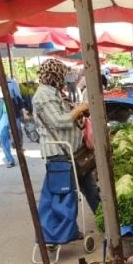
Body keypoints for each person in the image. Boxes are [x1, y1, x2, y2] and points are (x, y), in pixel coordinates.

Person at [32, 59, 100, 214]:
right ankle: (66, 231)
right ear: (54, 75)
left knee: (91, 189)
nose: (65, 79)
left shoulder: (54, 92)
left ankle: (104, 221)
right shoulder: (44, 96)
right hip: (60, 154)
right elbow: (59, 121)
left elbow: (64, 115)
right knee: (67, 197)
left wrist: (79, 113)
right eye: (63, 75)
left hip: (73, 153)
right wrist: (80, 108)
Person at [0, 76, 26, 168]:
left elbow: (18, 97)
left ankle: (20, 153)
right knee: (3, 136)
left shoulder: (11, 82)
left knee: (17, 133)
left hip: (13, 110)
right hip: (0, 112)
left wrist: (24, 111)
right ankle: (9, 159)